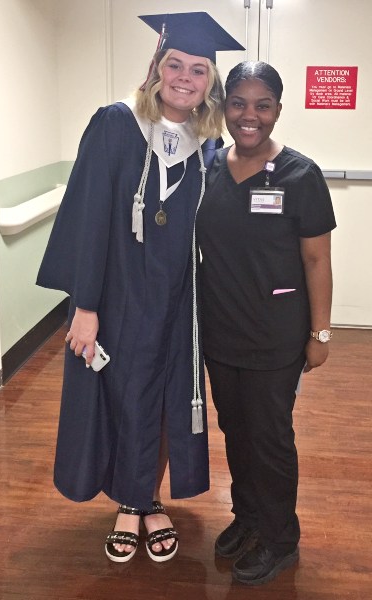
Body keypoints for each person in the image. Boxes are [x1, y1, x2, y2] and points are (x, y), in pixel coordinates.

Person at [37, 12, 243, 563]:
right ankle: (131, 504)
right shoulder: (116, 123)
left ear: (210, 84)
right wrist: (84, 306)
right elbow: (89, 217)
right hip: (121, 297)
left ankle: (150, 498)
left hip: (181, 301)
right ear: (156, 68)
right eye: (174, 64)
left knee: (171, 401)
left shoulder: (205, 144)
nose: (184, 77)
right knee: (126, 398)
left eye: (198, 70)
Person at [196, 61, 336, 585]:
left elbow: (317, 261)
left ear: (278, 110)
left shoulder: (301, 175)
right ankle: (249, 517)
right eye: (238, 103)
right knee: (235, 431)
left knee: (271, 438)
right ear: (223, 106)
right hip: (221, 330)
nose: (248, 116)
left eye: (262, 105)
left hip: (276, 334)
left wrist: (320, 333)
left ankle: (281, 537)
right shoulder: (209, 166)